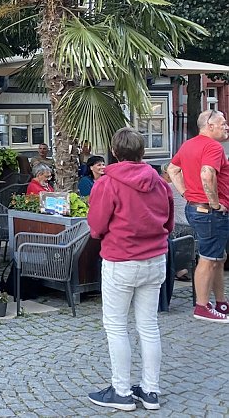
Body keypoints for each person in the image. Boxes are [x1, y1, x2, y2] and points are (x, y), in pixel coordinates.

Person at [87, 128, 174, 411]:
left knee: (116, 326)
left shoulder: (107, 183)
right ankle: (150, 390)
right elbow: (169, 221)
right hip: (155, 258)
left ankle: (121, 391)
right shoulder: (159, 182)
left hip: (120, 259)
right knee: (148, 326)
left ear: (114, 152)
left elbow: (96, 225)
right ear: (142, 152)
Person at [166, 109, 229, 322]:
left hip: (195, 208)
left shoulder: (188, 144)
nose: (226, 127)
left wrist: (185, 193)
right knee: (208, 258)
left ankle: (221, 302)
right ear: (209, 126)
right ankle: (202, 307)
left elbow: (172, 169)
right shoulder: (213, 146)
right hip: (209, 212)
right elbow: (207, 174)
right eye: (222, 123)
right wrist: (215, 203)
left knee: (218, 257)